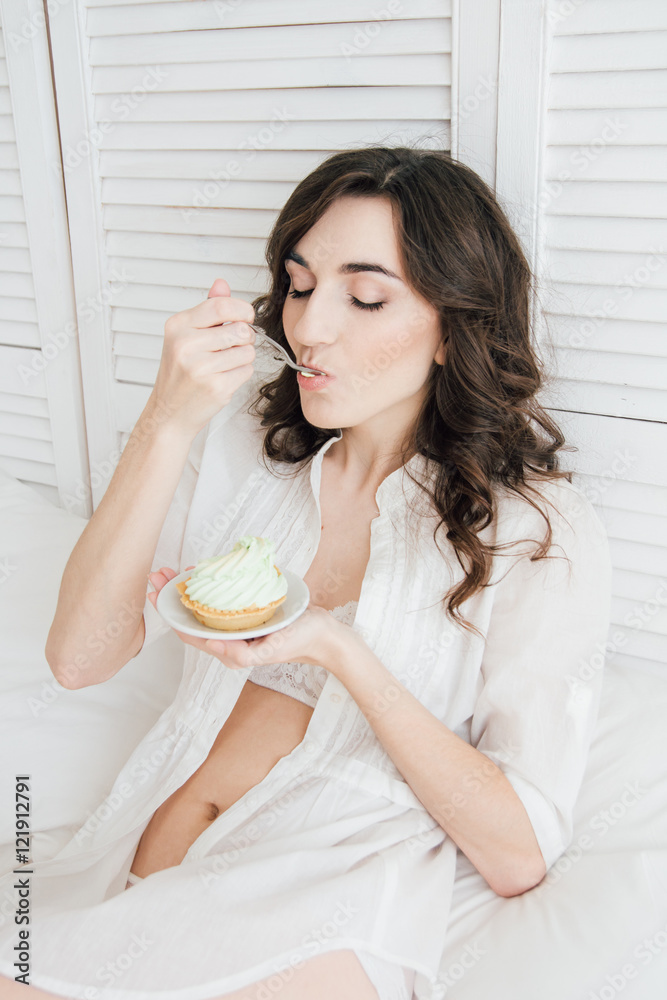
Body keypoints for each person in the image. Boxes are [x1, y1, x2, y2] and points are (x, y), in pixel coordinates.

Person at [0, 146, 611, 1000]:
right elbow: (79, 659)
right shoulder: (248, 455)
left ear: (453, 329)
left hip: (319, 916)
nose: (309, 326)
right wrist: (166, 420)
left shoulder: (531, 530)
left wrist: (339, 651)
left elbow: (518, 853)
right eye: (297, 286)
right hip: (130, 880)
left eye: (365, 298)